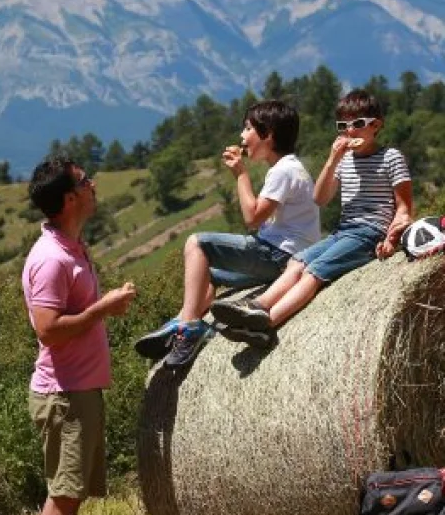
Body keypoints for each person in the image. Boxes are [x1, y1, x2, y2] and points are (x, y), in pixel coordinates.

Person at [211, 89, 413, 347]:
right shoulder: (345, 161)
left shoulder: (391, 157)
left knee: (313, 272)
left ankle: (266, 324)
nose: (351, 131)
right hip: (344, 231)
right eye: (343, 126)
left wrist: (392, 237)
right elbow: (320, 198)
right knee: (296, 263)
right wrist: (333, 160)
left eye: (358, 124)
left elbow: (404, 207)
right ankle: (256, 306)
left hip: (370, 232)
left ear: (376, 125)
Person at [22, 156, 136, 515]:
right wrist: (104, 308)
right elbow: (47, 329)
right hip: (64, 393)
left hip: (80, 389)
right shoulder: (51, 259)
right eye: (85, 181)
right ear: (70, 198)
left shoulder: (71, 247)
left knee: (71, 494)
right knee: (64, 494)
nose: (94, 185)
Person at [134, 100, 320, 368]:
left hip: (278, 255)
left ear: (267, 135)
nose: (241, 137)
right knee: (206, 273)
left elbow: (252, 218)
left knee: (196, 244)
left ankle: (187, 328)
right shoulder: (289, 168)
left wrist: (241, 175)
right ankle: (185, 322)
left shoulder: (284, 171)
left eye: (247, 129)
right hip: (282, 258)